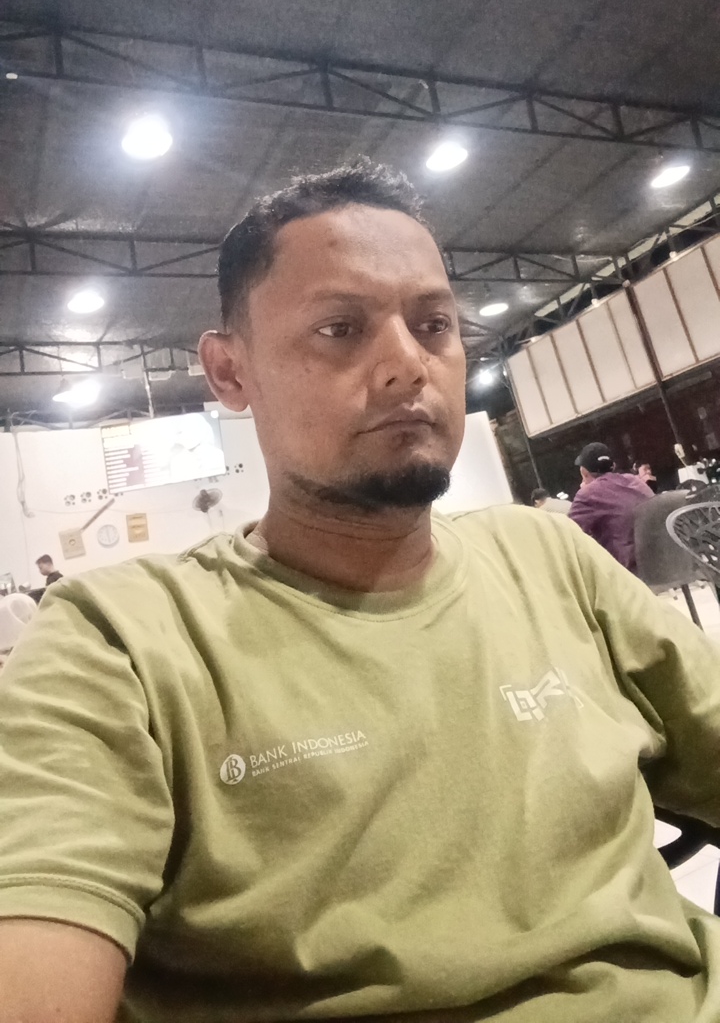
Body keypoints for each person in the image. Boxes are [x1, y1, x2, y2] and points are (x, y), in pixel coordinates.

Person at [2, 165, 720, 1023]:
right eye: (340, 329)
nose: (407, 365)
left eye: (434, 325)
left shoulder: (548, 558)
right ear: (230, 372)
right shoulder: (120, 643)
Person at [569, 441, 653, 571]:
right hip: (660, 560)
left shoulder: (588, 494)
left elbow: (568, 534)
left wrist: (585, 490)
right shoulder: (635, 480)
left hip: (628, 570)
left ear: (584, 472)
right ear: (613, 466)